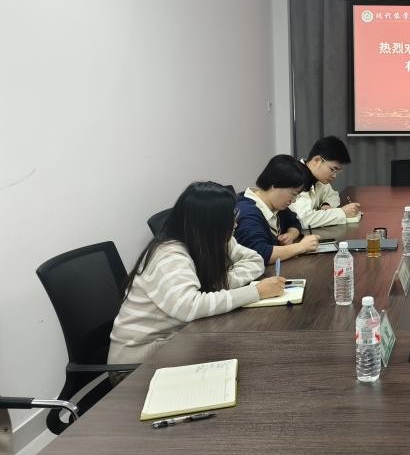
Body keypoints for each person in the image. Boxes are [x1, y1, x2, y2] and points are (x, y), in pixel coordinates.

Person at [109, 182, 285, 363]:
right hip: (139, 358)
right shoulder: (169, 255)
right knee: (240, 351)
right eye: (229, 218)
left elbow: (255, 260)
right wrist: (255, 292)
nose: (235, 223)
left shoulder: (212, 240)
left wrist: (220, 282)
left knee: (241, 345)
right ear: (209, 223)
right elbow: (189, 307)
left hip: (180, 337)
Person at [236, 155, 320, 265]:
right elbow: (260, 254)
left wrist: (291, 234)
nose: (294, 200)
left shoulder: (276, 205)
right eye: (293, 194)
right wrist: (301, 247)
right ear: (275, 184)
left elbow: (294, 221)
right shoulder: (246, 212)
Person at [291, 135, 361, 229]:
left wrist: (326, 205)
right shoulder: (296, 177)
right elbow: (303, 220)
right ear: (317, 160)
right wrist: (342, 212)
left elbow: (333, 195)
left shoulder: (318, 178)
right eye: (332, 170)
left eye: (337, 172)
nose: (334, 176)